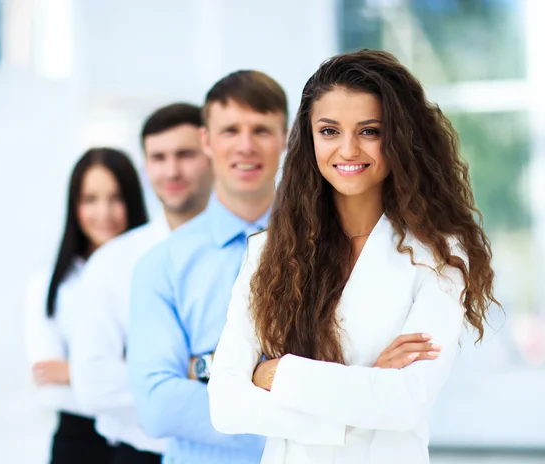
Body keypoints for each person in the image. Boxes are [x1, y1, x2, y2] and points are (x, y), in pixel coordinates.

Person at [208, 49, 500, 464]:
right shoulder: (268, 251)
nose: (347, 149)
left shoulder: (439, 256)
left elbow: (404, 403)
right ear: (309, 138)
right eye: (329, 131)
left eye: (369, 131)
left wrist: (275, 374)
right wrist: (363, 389)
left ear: (400, 138)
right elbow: (224, 405)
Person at [127, 70, 288, 464]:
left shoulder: (329, 248)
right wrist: (296, 418)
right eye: (231, 130)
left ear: (286, 138)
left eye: (262, 130)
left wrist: (207, 371)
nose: (246, 146)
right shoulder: (161, 264)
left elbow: (352, 371)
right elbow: (158, 405)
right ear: (207, 140)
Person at [70, 103, 213, 464]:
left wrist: (147, 369)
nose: (171, 170)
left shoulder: (253, 247)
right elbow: (93, 383)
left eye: (185, 155)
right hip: (140, 455)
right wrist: (205, 369)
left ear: (211, 153)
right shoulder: (111, 262)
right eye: (158, 157)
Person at [25, 148, 147, 464]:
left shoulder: (155, 271)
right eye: (90, 199)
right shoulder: (49, 284)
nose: (103, 212)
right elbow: (48, 385)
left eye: (116, 198)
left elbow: (170, 379)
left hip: (143, 442)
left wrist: (74, 372)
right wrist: (129, 372)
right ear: (74, 206)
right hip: (76, 444)